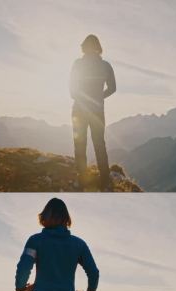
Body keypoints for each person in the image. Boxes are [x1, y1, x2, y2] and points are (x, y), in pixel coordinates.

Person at [70, 34, 116, 191]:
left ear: (84, 47)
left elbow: (72, 90)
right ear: (98, 47)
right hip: (97, 110)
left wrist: (82, 99)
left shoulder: (78, 64)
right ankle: (105, 180)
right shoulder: (106, 66)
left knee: (80, 144)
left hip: (79, 110)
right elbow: (113, 88)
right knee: (99, 144)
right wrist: (99, 97)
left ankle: (82, 179)